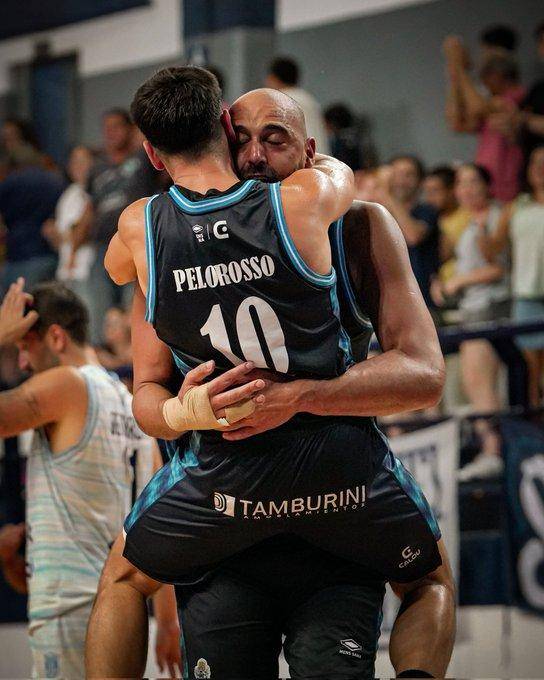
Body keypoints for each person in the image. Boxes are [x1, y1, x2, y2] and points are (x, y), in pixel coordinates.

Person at [86, 70, 453, 679]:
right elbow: (146, 395)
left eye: (275, 138)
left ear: (307, 151)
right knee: (430, 576)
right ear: (220, 133)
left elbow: (425, 375)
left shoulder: (352, 224)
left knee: (122, 578)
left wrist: (299, 396)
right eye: (243, 138)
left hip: (283, 502)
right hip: (271, 510)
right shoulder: (290, 204)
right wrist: (182, 411)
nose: (255, 154)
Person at [0, 279, 180, 678]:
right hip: (119, 609)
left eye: (25, 346)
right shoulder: (130, 402)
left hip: (70, 611)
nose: (22, 363)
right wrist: (168, 620)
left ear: (56, 337)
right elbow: (159, 515)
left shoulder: (67, 383)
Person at [432, 164, 508, 481]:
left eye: (473, 181)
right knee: (469, 381)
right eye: (461, 183)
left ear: (487, 185)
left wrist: (458, 282)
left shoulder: (495, 217)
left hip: (489, 308)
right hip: (471, 308)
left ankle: (493, 451)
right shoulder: (467, 222)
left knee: (479, 380)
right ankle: (487, 448)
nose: (466, 189)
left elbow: (499, 268)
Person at [84, 108, 161, 342]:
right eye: (106, 128)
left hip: (138, 243)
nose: (111, 133)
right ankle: (103, 356)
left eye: (117, 127)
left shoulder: (143, 159)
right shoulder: (97, 168)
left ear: (130, 129)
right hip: (101, 246)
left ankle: (135, 359)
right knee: (100, 316)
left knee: (135, 312)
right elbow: (90, 208)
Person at [479, 146, 544, 407]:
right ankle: (535, 424)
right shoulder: (516, 207)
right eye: (535, 163)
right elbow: (494, 251)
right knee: (531, 370)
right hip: (526, 294)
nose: (540, 168)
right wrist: (482, 230)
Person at [444, 39, 525, 202]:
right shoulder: (491, 103)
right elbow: (457, 121)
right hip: (486, 186)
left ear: (498, 75)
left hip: (507, 187)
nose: (483, 83)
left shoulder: (518, 96)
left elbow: (477, 108)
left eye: (485, 76)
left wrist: (459, 67)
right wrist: (455, 74)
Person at [368, 156, 439, 308]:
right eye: (396, 174)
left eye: (409, 175)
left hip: (424, 299)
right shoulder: (380, 213)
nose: (401, 181)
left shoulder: (427, 210)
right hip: (391, 300)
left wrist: (388, 195)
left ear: (420, 181)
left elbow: (413, 236)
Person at [0, 150, 64, 294]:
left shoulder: (10, 182)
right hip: (47, 254)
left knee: (17, 303)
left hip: (17, 255)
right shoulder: (54, 181)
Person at [41, 145, 95, 310]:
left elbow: (87, 229)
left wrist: (70, 237)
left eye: (83, 161)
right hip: (65, 271)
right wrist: (53, 234)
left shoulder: (95, 191)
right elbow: (61, 242)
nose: (78, 166)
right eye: (74, 162)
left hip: (86, 269)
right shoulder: (68, 194)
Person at [265, 56, 330, 154]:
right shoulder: (309, 99)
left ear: (273, 78)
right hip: (321, 157)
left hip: (299, 157)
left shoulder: (278, 100)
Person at [423, 165, 470, 283]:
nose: (429, 198)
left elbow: (446, 254)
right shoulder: (432, 219)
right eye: (427, 192)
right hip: (441, 287)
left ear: (451, 190)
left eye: (435, 191)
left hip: (464, 285)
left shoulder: (468, 215)